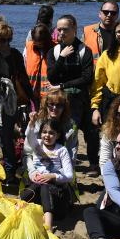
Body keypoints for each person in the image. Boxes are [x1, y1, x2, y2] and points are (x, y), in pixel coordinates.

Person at [46, 14, 96, 174]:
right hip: (59, 103)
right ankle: (59, 168)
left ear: (74, 29)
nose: (61, 33)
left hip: (80, 101)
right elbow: (51, 76)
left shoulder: (84, 51)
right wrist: (61, 57)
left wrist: (63, 85)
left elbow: (87, 78)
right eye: (59, 29)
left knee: (85, 133)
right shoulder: (54, 51)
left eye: (65, 29)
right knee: (61, 135)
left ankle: (91, 164)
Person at [0, 21, 33, 184]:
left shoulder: (14, 54)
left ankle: (9, 172)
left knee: (7, 137)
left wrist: (32, 100)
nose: (6, 44)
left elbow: (23, 78)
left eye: (9, 40)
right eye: (2, 40)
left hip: (9, 103)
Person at [22, 118, 75, 230]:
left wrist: (52, 176)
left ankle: (48, 225)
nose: (47, 135)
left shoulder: (61, 150)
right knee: (37, 185)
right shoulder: (37, 145)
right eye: (44, 132)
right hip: (37, 186)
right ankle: (16, 207)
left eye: (51, 133)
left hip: (55, 191)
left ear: (58, 135)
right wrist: (31, 123)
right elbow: (29, 135)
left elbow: (69, 176)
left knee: (44, 186)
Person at [24, 89, 79, 170]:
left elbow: (72, 155)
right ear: (46, 105)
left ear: (64, 107)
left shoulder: (71, 127)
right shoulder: (37, 123)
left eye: (59, 105)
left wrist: (59, 174)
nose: (54, 108)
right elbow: (27, 153)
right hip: (37, 166)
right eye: (51, 104)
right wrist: (32, 171)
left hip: (61, 167)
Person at [24, 23, 54, 111]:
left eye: (41, 43)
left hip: (48, 92)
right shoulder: (29, 46)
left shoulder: (55, 48)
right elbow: (24, 64)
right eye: (36, 43)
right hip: (31, 90)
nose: (38, 45)